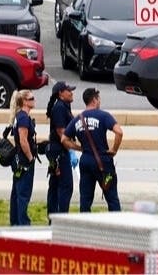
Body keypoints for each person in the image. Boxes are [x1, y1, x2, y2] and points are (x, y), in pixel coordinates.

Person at [61, 87, 123, 212]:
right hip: (103, 161)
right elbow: (119, 132)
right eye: (99, 99)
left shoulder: (78, 119)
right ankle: (117, 224)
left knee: (85, 199)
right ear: (94, 100)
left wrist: (79, 148)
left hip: (86, 161)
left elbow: (64, 139)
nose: (99, 102)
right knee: (111, 197)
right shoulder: (103, 115)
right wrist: (114, 149)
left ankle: (84, 226)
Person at [45, 81, 75, 218]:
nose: (71, 92)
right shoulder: (59, 108)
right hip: (59, 152)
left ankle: (54, 218)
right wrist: (73, 148)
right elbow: (61, 132)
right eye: (68, 90)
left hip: (58, 151)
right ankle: (62, 218)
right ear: (61, 94)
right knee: (65, 185)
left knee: (56, 185)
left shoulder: (65, 106)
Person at [9, 89, 37, 226]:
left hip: (18, 160)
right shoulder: (24, 118)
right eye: (31, 98)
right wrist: (31, 158)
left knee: (17, 192)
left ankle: (15, 221)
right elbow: (23, 140)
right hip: (24, 161)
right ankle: (23, 224)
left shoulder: (19, 116)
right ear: (25, 101)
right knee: (23, 194)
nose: (34, 100)